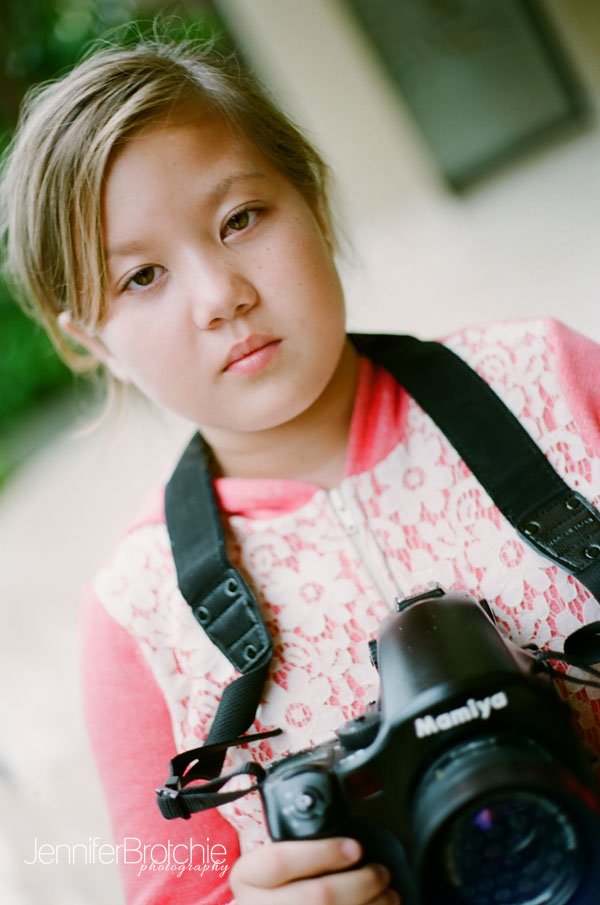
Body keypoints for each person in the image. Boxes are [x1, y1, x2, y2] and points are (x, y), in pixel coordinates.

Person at [2, 27, 600, 905]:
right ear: (88, 340)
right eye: (142, 277)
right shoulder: (140, 617)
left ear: (312, 198)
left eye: (241, 219)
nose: (221, 296)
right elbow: (181, 891)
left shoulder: (548, 382)